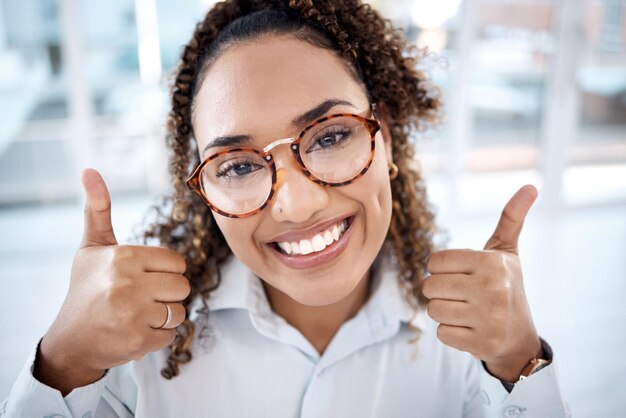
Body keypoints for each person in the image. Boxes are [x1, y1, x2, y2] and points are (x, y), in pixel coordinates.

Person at [1, 1, 569, 417]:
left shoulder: (472, 339)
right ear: (206, 192)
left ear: (386, 138)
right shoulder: (132, 348)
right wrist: (62, 363)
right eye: (239, 166)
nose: (297, 204)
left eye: (329, 136)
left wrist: (520, 362)